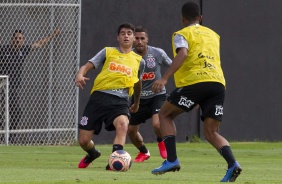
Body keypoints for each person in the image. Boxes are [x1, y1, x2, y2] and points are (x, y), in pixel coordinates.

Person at [151, 2, 242, 182]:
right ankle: (233, 164)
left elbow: (183, 54)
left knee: (165, 114)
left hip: (195, 81)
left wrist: (165, 78)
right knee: (211, 132)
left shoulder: (182, 34)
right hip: (217, 83)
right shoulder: (213, 35)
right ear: (200, 18)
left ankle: (171, 160)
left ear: (183, 19)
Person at [75, 22, 145, 170]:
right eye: (123, 33)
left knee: (123, 125)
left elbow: (138, 83)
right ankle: (92, 153)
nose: (126, 36)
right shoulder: (107, 52)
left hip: (120, 100)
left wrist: (137, 103)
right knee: (83, 140)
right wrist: (80, 74)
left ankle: (114, 162)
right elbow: (86, 66)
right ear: (117, 37)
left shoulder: (140, 61)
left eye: (129, 33)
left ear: (133, 38)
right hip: (99, 97)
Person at [0, 29, 60, 142]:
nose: (17, 40)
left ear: (23, 41)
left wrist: (53, 35)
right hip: (2, 85)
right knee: (3, 110)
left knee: (16, 112)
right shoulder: (4, 50)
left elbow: (39, 44)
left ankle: (11, 137)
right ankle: (2, 136)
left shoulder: (23, 50)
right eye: (15, 38)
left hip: (13, 87)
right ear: (11, 39)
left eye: (20, 38)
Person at [127, 26, 172, 162]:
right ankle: (144, 152)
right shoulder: (129, 56)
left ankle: (160, 141)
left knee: (157, 124)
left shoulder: (158, 53)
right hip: (138, 98)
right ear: (133, 40)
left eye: (142, 38)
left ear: (147, 39)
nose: (139, 41)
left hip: (157, 95)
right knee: (131, 131)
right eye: (136, 38)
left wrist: (164, 79)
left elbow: (173, 65)